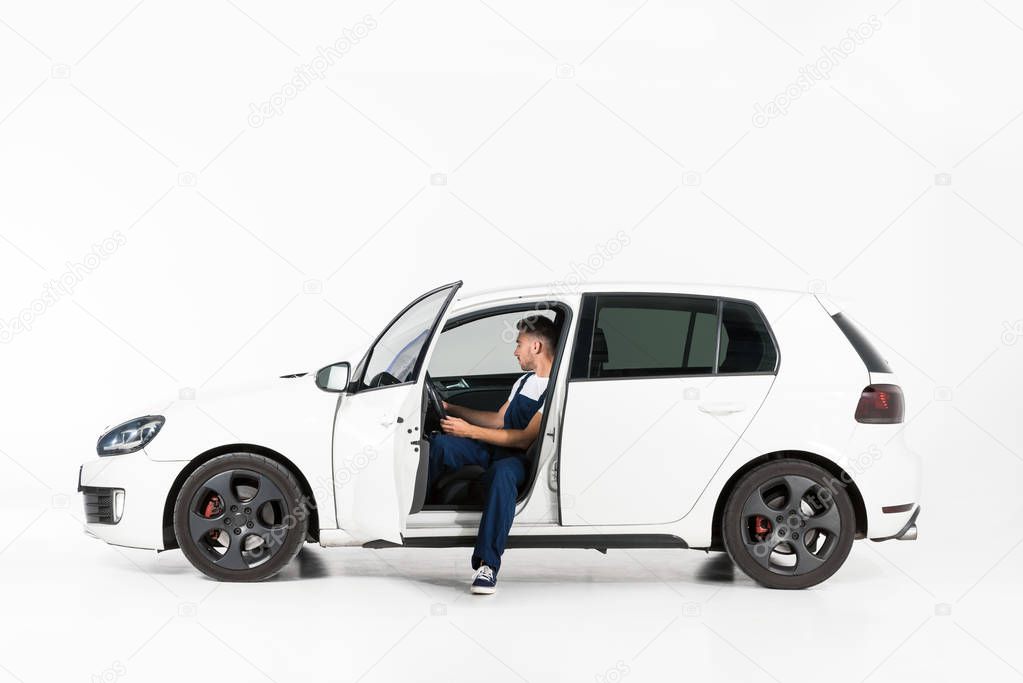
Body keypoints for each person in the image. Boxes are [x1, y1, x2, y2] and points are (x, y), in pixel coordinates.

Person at [427, 314, 559, 594]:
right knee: (440, 445)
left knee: (501, 476)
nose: (515, 350)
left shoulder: (554, 389)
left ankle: (488, 564)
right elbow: (498, 421)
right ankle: (416, 512)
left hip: (519, 458)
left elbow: (524, 438)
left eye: (519, 343)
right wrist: (451, 409)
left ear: (536, 347)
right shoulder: (524, 381)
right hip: (495, 446)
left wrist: (470, 431)